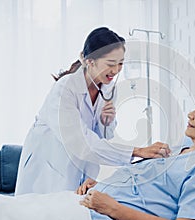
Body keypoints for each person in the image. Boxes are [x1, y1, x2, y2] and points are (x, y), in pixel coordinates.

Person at [0, 84, 195, 220]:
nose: (190, 114)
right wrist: (101, 186)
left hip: (95, 216)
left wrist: (110, 206)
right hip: (84, 203)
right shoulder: (178, 152)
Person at [15, 27, 170, 195]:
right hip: (48, 165)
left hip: (77, 167)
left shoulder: (108, 89)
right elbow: (80, 142)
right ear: (90, 61)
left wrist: (107, 122)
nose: (116, 70)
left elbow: (103, 136)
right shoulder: (65, 89)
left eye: (120, 63)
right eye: (111, 64)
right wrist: (137, 151)